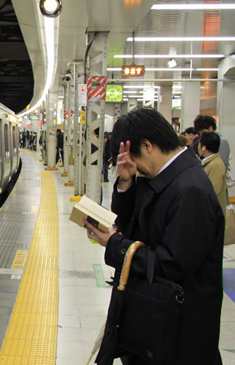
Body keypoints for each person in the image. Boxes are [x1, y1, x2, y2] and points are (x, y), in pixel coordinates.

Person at [84, 108, 224, 364]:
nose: (133, 166)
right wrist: (125, 183)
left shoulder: (189, 190)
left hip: (177, 334)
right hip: (155, 321)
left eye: (131, 157)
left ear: (147, 145)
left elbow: (171, 263)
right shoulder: (164, 178)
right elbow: (134, 226)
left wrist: (114, 244)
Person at [199, 132, 227, 217]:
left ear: (204, 147)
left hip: (211, 214)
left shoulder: (216, 165)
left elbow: (213, 192)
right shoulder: (210, 162)